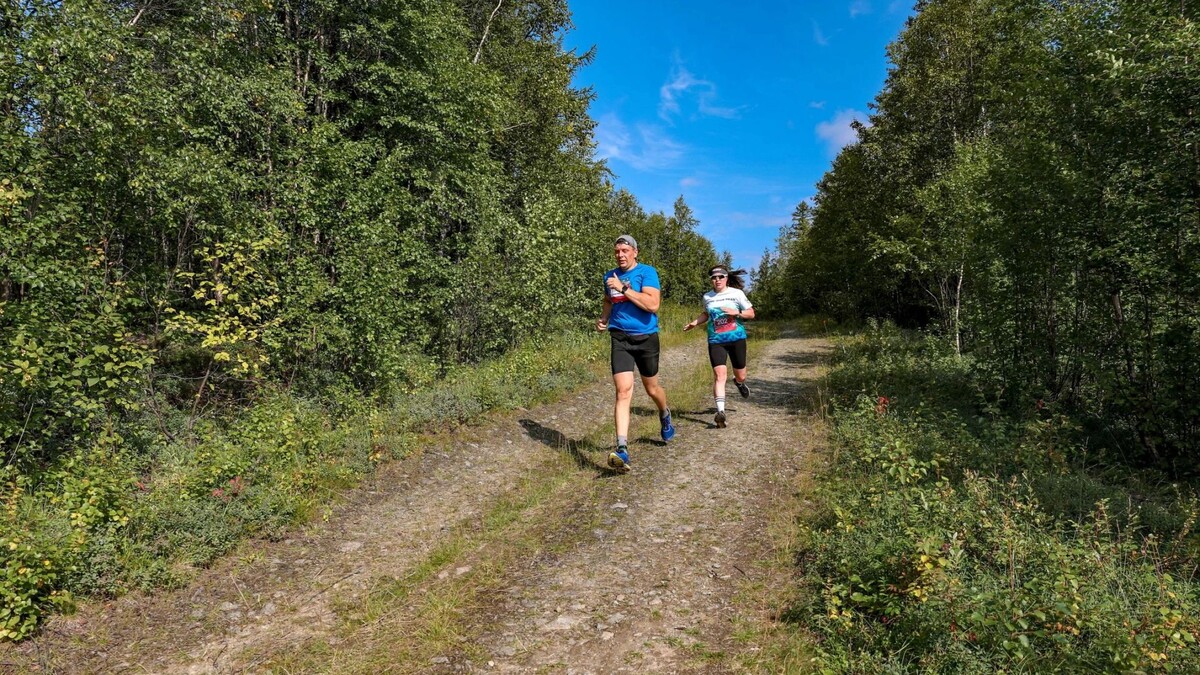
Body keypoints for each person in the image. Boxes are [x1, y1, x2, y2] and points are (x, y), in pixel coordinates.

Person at [595, 234, 675, 472]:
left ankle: (664, 412)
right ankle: (622, 449)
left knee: (652, 389)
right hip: (619, 337)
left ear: (635, 252)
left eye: (624, 250)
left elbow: (652, 305)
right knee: (623, 391)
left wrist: (624, 288)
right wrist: (604, 318)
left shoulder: (647, 273)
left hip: (646, 338)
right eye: (617, 251)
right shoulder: (609, 276)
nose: (620, 255)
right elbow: (608, 300)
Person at [683, 265, 755, 428]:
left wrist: (735, 313)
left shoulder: (736, 294)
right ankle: (720, 412)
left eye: (720, 277)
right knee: (719, 375)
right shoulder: (708, 297)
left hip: (737, 339)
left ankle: (739, 383)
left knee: (741, 374)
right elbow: (706, 314)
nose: (717, 280)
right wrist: (694, 323)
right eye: (714, 278)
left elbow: (751, 313)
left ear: (726, 278)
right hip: (716, 340)